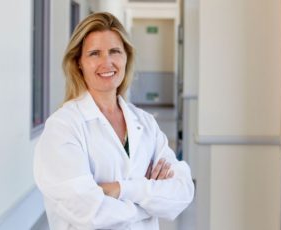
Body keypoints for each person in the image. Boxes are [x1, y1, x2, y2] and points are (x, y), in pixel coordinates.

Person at [34, 12, 194, 230]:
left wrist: (120, 189)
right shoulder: (63, 127)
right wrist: (149, 202)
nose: (106, 62)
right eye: (94, 54)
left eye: (114, 51)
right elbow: (89, 213)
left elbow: (182, 191)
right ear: (79, 62)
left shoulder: (145, 122)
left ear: (126, 57)